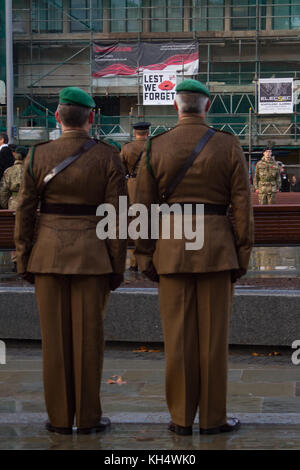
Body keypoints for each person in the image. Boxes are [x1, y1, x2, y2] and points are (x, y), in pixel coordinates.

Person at [134, 79, 254, 435]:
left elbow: (143, 207)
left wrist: (144, 255)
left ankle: (182, 418)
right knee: (214, 339)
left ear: (175, 107)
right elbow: (243, 206)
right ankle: (214, 418)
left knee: (177, 337)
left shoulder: (156, 146)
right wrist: (242, 252)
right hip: (217, 250)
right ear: (207, 105)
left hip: (171, 249)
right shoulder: (227, 145)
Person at [14, 86, 127, 435]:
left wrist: (24, 259)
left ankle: (60, 419)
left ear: (57, 116)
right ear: (91, 117)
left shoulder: (37, 155)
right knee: (90, 341)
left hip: (47, 255)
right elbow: (118, 217)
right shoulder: (108, 156)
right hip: (93, 258)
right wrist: (116, 264)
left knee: (54, 342)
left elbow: (25, 213)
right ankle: (89, 418)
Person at [120, 121, 151, 271]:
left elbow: (120, 169)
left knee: (133, 222)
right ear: (148, 132)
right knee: (148, 221)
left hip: (132, 185)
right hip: (149, 185)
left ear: (134, 133)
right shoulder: (154, 146)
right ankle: (147, 259)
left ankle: (133, 262)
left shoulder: (127, 148)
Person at [0, 146, 28, 210]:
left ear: (15, 156)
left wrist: (7, 205)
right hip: (29, 203)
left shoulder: (9, 171)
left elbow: (3, 191)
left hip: (13, 204)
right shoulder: (32, 171)